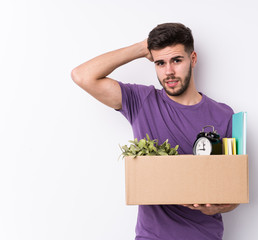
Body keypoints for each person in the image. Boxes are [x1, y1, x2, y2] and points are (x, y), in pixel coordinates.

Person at [72, 22, 239, 240]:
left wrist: (218, 207)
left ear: (193, 59)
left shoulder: (223, 115)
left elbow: (234, 191)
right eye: (160, 63)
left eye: (176, 60)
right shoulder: (141, 101)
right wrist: (142, 48)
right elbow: (82, 75)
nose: (168, 71)